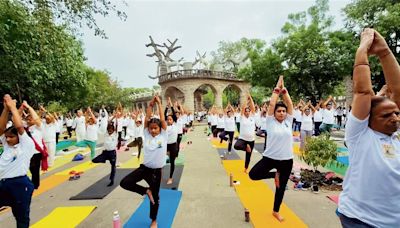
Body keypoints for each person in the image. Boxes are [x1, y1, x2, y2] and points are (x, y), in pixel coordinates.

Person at [338, 28, 400, 228]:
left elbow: (398, 90)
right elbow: (363, 91)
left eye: (397, 113)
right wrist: (362, 50)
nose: (395, 118)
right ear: (368, 118)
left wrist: (384, 52)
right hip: (360, 220)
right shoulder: (360, 134)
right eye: (386, 115)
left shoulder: (397, 135)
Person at [249, 75, 294, 222]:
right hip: (270, 158)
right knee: (253, 175)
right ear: (274, 113)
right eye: (279, 111)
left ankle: (276, 211)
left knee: (280, 188)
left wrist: (285, 91)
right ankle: (274, 175)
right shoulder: (270, 122)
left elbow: (290, 105)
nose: (281, 113)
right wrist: (276, 89)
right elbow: (272, 104)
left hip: (287, 160)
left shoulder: (288, 121)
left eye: (283, 111)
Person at [120, 95, 167, 228]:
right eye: (151, 128)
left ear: (160, 129)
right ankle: (146, 191)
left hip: (156, 172)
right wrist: (150, 105)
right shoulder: (146, 134)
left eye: (155, 128)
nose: (153, 130)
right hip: (144, 168)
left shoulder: (163, 135)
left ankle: (154, 220)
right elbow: (147, 119)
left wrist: (159, 104)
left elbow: (162, 119)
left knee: (155, 199)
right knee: (124, 182)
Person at [0, 94, 35, 228]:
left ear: (19, 137)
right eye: (6, 137)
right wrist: (5, 109)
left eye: (11, 137)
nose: (7, 140)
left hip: (20, 185)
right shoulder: (7, 146)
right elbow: (1, 128)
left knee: (21, 218)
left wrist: (13, 108)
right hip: (3, 184)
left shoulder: (26, 145)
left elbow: (20, 127)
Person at [23, 102, 47, 189]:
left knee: (34, 169)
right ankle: (32, 183)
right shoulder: (25, 128)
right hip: (26, 152)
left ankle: (35, 185)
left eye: (30, 119)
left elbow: (37, 119)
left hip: (36, 152)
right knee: (30, 169)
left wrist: (29, 107)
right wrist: (21, 108)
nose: (28, 121)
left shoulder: (39, 127)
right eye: (27, 119)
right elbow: (16, 120)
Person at [234, 93, 256, 173]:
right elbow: (243, 108)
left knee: (248, 155)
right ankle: (246, 147)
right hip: (243, 139)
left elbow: (253, 108)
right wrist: (246, 101)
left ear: (250, 112)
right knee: (236, 146)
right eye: (246, 111)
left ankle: (246, 168)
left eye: (248, 111)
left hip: (251, 140)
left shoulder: (252, 117)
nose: (247, 112)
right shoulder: (242, 117)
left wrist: (250, 98)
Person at [164, 97, 179, 185]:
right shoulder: (165, 126)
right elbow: (164, 114)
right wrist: (167, 106)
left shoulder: (175, 124)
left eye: (170, 119)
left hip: (173, 145)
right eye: (168, 119)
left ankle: (170, 177)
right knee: (161, 160)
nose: (169, 120)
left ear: (173, 120)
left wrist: (171, 105)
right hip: (165, 145)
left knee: (172, 162)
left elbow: (173, 114)